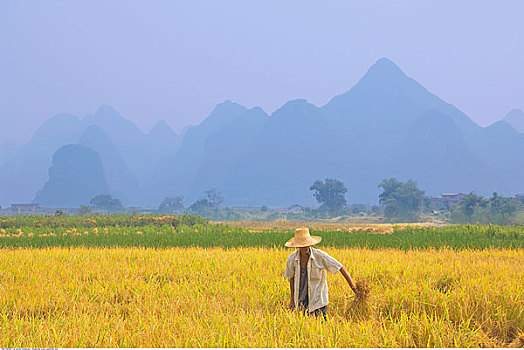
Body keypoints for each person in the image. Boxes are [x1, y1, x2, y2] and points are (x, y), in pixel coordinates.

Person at [284, 227, 358, 320]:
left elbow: (340, 267)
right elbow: (291, 278)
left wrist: (354, 288)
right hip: (300, 301)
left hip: (318, 301)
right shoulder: (292, 259)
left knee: (320, 329)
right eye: (302, 245)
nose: (305, 247)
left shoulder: (320, 256)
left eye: (307, 244)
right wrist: (292, 299)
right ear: (297, 246)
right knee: (303, 328)